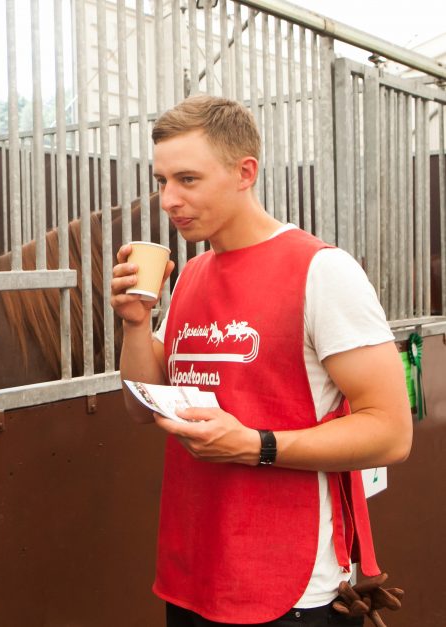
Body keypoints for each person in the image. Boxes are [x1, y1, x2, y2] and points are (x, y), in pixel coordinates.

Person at [110, 94, 412, 627]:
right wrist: (136, 324)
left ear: (244, 172)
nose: (167, 199)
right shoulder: (192, 277)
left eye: (187, 179)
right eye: (161, 181)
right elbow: (142, 408)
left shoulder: (321, 271)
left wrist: (257, 446)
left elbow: (391, 433)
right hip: (191, 573)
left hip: (289, 587)